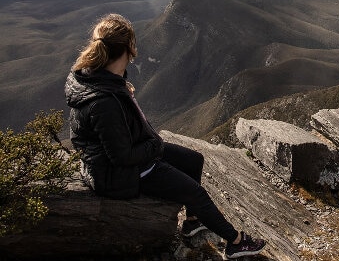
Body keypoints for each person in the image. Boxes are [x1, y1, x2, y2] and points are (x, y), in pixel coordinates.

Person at [64, 13, 266, 259]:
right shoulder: (105, 101)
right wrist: (154, 146)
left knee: (194, 160)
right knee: (195, 192)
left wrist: (149, 141)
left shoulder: (96, 78)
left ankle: (193, 222)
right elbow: (122, 157)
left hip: (126, 155)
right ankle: (235, 242)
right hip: (117, 173)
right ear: (130, 48)